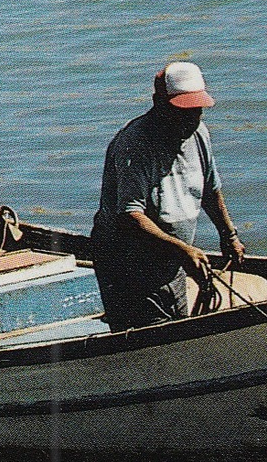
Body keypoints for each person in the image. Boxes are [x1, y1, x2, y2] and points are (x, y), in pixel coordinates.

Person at [91, 59, 247, 330]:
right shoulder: (135, 144)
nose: (190, 120)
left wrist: (228, 234)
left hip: (171, 257)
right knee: (147, 335)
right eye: (182, 111)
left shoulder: (199, 134)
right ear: (159, 103)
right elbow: (130, 214)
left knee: (177, 323)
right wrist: (183, 250)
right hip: (128, 262)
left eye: (196, 111)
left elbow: (210, 189)